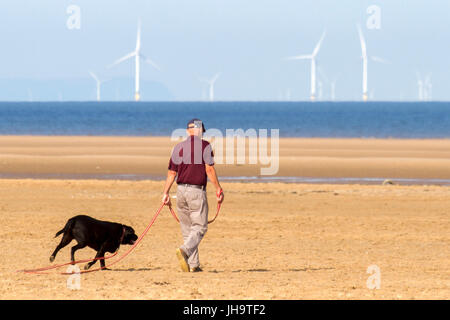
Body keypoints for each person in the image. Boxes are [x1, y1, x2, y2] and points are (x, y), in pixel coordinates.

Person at [162, 119, 224, 272]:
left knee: (188, 229)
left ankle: (193, 265)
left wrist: (165, 193)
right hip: (196, 191)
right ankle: (184, 250)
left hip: (181, 191)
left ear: (188, 131)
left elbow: (172, 173)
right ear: (199, 131)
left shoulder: (178, 147)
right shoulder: (205, 146)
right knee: (200, 227)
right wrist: (218, 189)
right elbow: (209, 170)